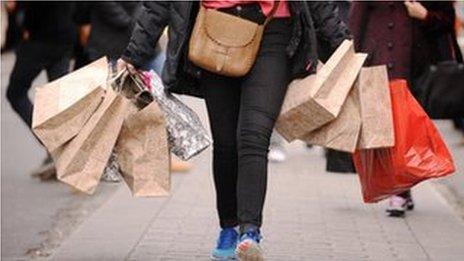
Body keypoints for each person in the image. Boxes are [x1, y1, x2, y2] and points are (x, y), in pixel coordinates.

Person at [118, 1, 349, 260]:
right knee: (226, 142)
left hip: (274, 31)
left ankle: (250, 231)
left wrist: (343, 45)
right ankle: (228, 226)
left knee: (254, 135)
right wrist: (134, 54)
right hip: (215, 31)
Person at [349, 0, 461, 217]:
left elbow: (447, 21)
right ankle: (398, 189)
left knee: (406, 130)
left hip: (416, 66)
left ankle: (401, 187)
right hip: (378, 61)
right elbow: (356, 19)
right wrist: (351, 59)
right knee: (388, 130)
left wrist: (425, 15)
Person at [5, 2, 76, 179]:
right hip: (64, 37)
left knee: (15, 93)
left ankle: (54, 147)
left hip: (40, 39)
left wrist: (20, 14)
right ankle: (60, 152)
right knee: (56, 99)